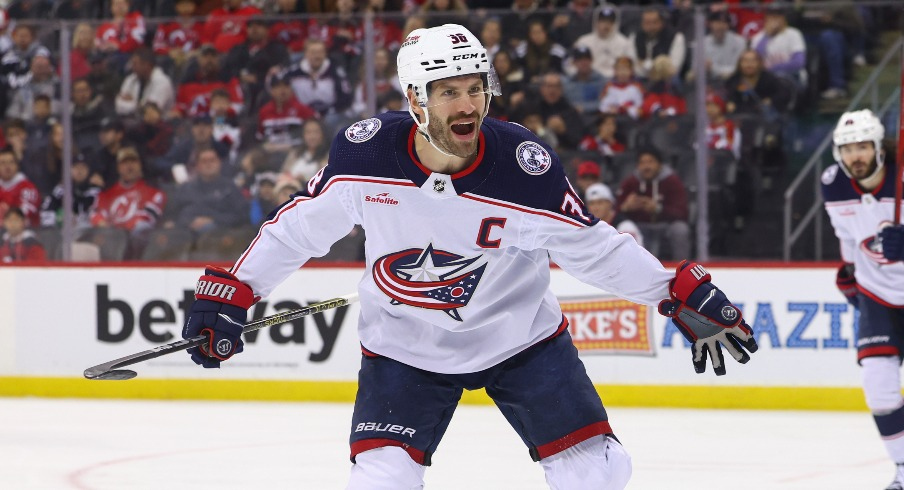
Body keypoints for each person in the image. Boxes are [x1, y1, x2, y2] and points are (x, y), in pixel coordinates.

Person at [178, 24, 758, 489]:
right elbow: (296, 231)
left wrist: (670, 289)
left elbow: (592, 248)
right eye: (449, 91)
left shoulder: (523, 166)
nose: (469, 103)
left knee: (597, 472)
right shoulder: (367, 156)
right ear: (415, 99)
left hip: (521, 340)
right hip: (405, 347)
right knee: (379, 480)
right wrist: (237, 289)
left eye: (476, 87)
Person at [821, 109, 904, 490]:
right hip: (878, 297)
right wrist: (850, 270)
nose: (856, 155)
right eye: (848, 148)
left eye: (863, 147)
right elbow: (848, 234)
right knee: (878, 386)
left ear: (878, 148)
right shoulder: (834, 183)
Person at [615, 147, 690, 260]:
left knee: (680, 229)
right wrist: (626, 208)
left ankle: (683, 267)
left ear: (660, 164)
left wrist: (658, 209)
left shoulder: (672, 181)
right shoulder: (631, 183)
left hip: (666, 226)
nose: (646, 167)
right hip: (640, 226)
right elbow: (614, 211)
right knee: (625, 227)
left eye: (650, 162)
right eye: (642, 162)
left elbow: (682, 213)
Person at [584, 182, 643, 247]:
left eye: (600, 203)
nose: (595, 208)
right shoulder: (586, 227)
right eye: (592, 204)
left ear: (610, 204)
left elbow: (634, 253)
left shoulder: (625, 226)